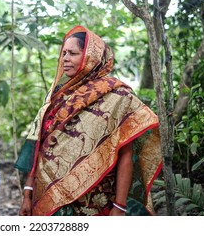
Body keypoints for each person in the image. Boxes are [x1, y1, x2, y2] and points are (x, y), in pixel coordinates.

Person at [15, 25, 162, 216]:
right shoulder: (57, 96)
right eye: (64, 53)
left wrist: (119, 206)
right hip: (48, 199)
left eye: (73, 53)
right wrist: (28, 193)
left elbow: (126, 154)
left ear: (90, 57)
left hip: (94, 202)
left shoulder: (118, 96)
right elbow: (39, 147)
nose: (65, 58)